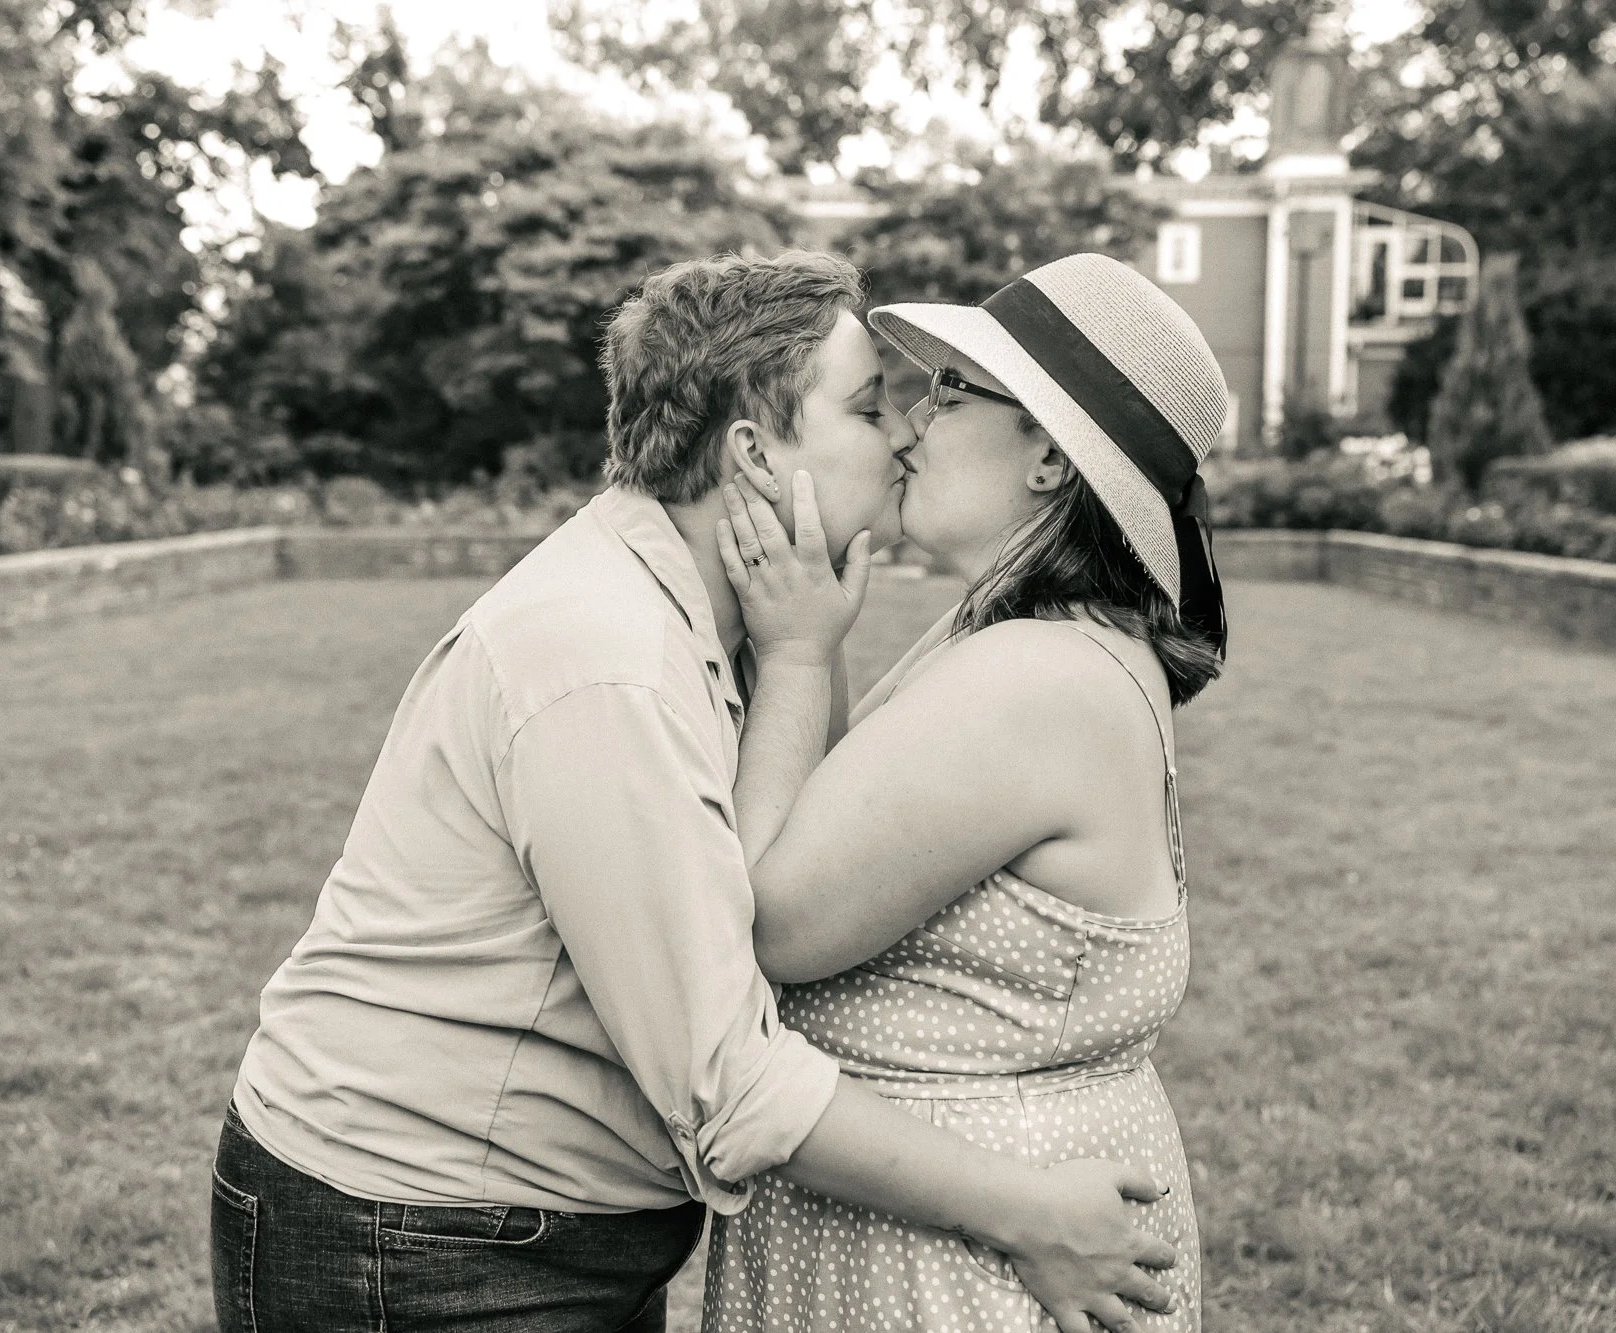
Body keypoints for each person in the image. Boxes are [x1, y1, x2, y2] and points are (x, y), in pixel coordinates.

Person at [209, 251, 1179, 1333]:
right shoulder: (605, 662)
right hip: (419, 1236)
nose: (902, 430)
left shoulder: (731, 622)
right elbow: (728, 1078)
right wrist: (1028, 1211)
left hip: (520, 1229)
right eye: (867, 406)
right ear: (755, 456)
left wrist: (806, 650)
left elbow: (810, 835)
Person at [702, 252, 1230, 1333]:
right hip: (972, 1237)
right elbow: (844, 824)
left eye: (950, 392)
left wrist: (797, 655)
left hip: (961, 1271)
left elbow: (770, 923)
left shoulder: (1033, 678)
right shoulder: (1023, 643)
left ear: (1046, 453)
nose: (907, 424)